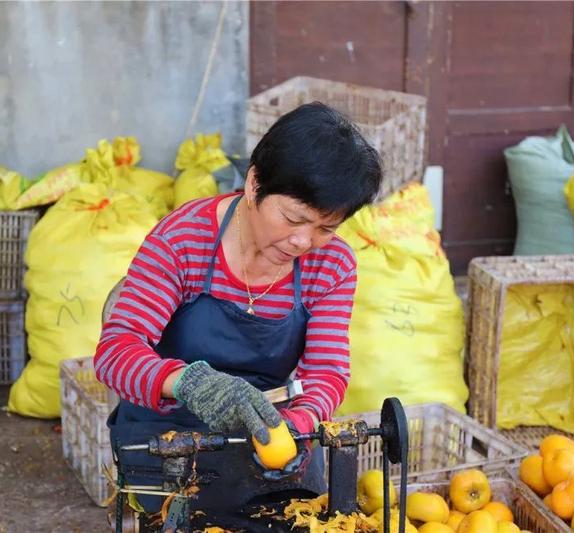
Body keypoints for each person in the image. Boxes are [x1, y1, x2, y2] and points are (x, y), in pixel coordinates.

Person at [94, 102, 382, 514]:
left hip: (266, 438)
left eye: (325, 228)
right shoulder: (182, 240)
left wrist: (295, 427)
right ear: (253, 185)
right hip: (168, 437)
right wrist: (190, 384)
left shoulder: (331, 264)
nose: (304, 241)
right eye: (293, 218)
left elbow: (326, 373)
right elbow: (115, 352)